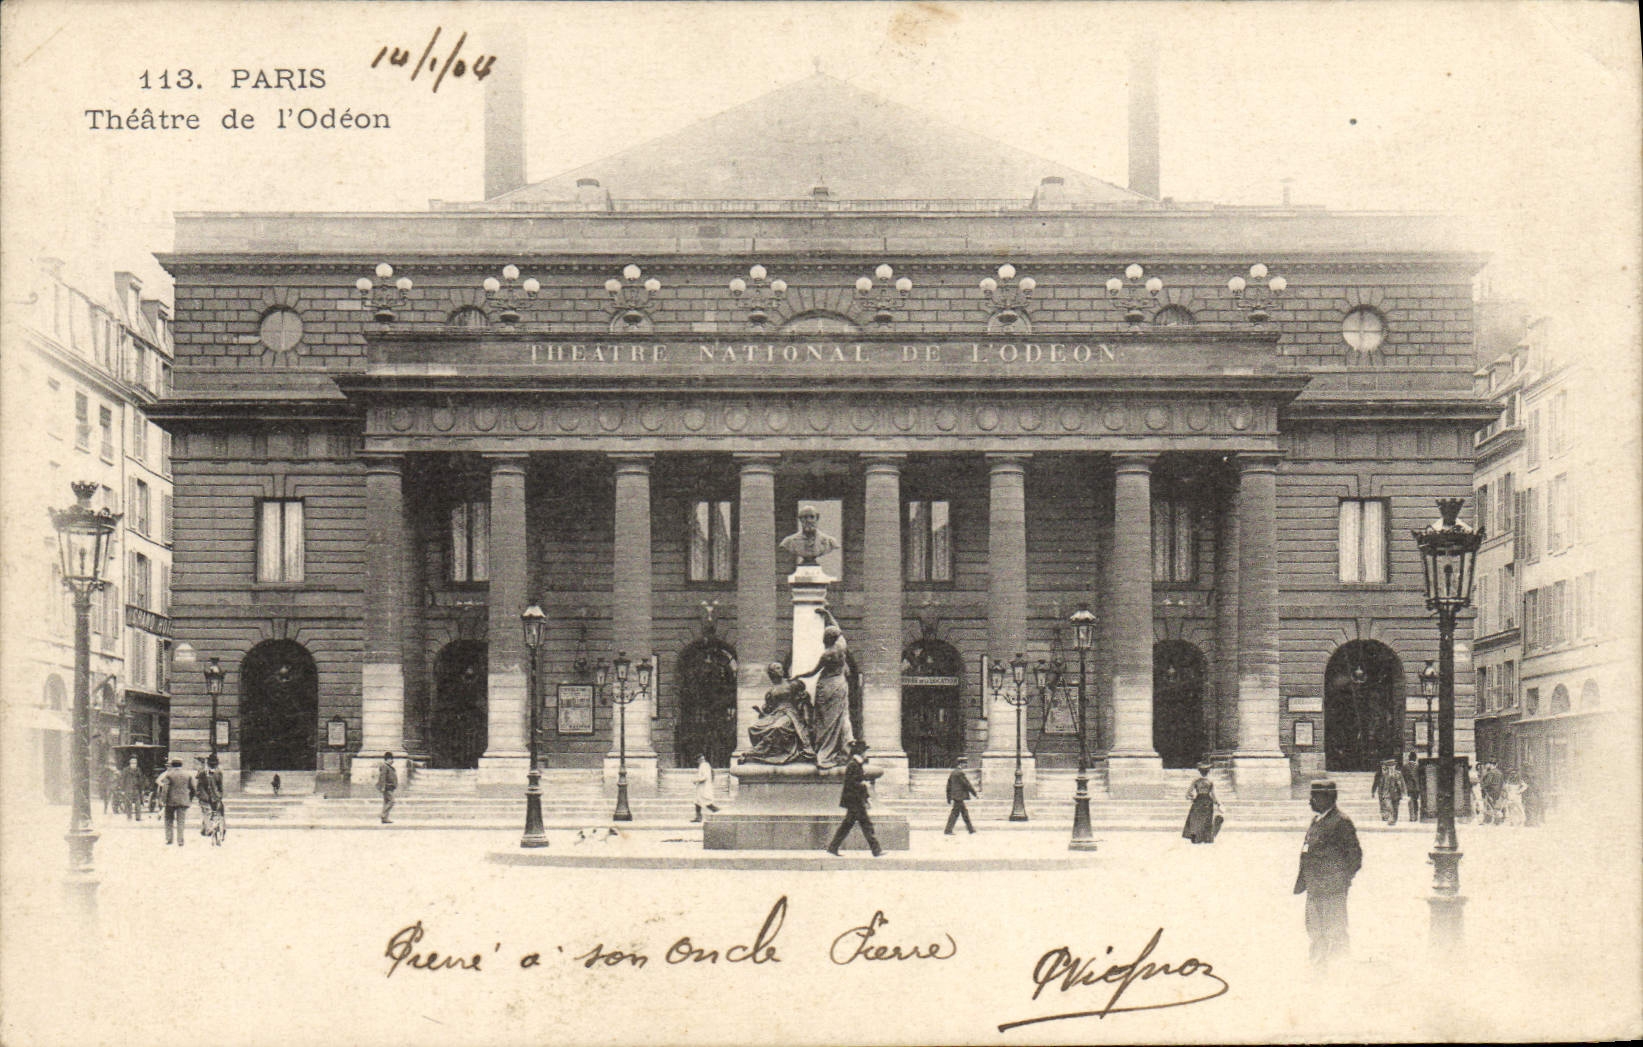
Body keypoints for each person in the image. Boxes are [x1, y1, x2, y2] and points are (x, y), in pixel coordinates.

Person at [1294, 779, 1362, 969]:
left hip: (1332, 888)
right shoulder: (1317, 820)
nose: (1310, 801)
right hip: (1314, 887)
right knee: (1315, 930)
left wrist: (1341, 880)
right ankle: (1318, 967)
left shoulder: (1341, 822)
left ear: (1327, 798)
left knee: (1335, 930)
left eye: (1314, 797)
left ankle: (1340, 969)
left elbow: (1355, 857)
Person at [791, 607, 854, 769]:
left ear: (826, 638)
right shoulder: (841, 647)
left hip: (827, 687)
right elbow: (837, 629)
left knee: (826, 720)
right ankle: (847, 744)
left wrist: (798, 676)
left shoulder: (827, 654)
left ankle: (824, 751)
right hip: (841, 684)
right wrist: (827, 614)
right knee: (841, 716)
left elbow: (813, 672)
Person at [742, 664, 814, 765]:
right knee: (753, 728)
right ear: (772, 672)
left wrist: (806, 715)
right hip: (775, 714)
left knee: (778, 727)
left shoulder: (792, 684)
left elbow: (804, 700)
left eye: (780, 667)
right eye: (777, 668)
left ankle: (774, 752)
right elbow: (768, 708)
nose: (781, 670)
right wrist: (761, 711)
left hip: (790, 714)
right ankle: (764, 752)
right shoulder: (771, 691)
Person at [826, 741, 882, 857]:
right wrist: (864, 785)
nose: (866, 754)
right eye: (865, 751)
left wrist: (866, 797)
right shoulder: (853, 765)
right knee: (866, 825)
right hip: (854, 801)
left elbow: (857, 782)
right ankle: (876, 850)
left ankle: (833, 847)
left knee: (848, 825)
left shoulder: (856, 764)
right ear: (861, 752)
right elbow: (852, 783)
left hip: (855, 801)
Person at [157, 758, 195, 847]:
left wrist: (163, 801)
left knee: (168, 820)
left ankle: (169, 839)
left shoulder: (169, 775)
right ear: (181, 765)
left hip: (171, 801)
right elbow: (193, 788)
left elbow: (165, 789)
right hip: (183, 801)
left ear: (173, 765)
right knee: (181, 821)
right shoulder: (188, 775)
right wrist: (190, 799)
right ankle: (180, 840)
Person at [1182, 761, 1222, 843]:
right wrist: (1219, 803)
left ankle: (1197, 838)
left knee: (1197, 819)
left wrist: (1192, 798)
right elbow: (1214, 794)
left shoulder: (1196, 781)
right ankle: (1206, 838)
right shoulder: (1210, 781)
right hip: (1208, 801)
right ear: (1208, 771)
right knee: (1207, 820)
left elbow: (1187, 794)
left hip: (1198, 800)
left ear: (1199, 771)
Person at [944, 757, 978, 836]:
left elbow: (948, 786)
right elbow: (967, 784)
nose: (966, 765)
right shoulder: (960, 773)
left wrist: (948, 797)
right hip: (959, 796)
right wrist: (974, 793)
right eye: (965, 763)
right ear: (961, 764)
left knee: (964, 813)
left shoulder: (953, 773)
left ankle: (970, 829)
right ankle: (948, 830)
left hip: (956, 796)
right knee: (956, 813)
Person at [196, 754, 226, 844]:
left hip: (205, 796)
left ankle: (209, 829)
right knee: (218, 814)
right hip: (215, 797)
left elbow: (198, 782)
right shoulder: (219, 772)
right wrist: (220, 795)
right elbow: (220, 786)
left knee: (207, 813)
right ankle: (218, 830)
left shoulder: (202, 771)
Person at [1371, 758, 1405, 825]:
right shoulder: (1384, 774)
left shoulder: (1398, 774)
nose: (1391, 768)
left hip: (1396, 794)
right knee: (1389, 807)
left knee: (1396, 808)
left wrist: (1403, 792)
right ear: (1388, 767)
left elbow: (1403, 784)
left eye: (1393, 766)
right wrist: (1379, 792)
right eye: (1390, 766)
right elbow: (1381, 784)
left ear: (1395, 766)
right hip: (1387, 794)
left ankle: (1394, 819)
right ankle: (1391, 819)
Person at [691, 754, 720, 823]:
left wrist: (696, 780)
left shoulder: (703, 766)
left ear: (699, 760)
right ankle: (698, 818)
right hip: (703, 787)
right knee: (698, 802)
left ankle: (719, 813)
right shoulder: (706, 765)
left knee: (707, 803)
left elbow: (704, 777)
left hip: (704, 788)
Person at [120, 757, 145, 821]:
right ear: (130, 764)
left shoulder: (138, 770)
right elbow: (122, 780)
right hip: (128, 789)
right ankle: (129, 817)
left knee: (138, 804)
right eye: (132, 763)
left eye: (135, 763)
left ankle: (138, 817)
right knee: (128, 804)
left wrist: (142, 789)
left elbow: (141, 780)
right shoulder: (125, 770)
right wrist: (122, 789)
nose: (134, 765)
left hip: (136, 789)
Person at [377, 751, 397, 824]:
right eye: (391, 759)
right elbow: (382, 777)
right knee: (392, 801)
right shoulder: (385, 766)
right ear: (387, 759)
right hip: (387, 787)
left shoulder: (388, 767)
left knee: (386, 802)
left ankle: (385, 818)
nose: (392, 761)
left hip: (390, 787)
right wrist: (383, 787)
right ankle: (383, 814)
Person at [1401, 752, 1423, 822]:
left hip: (1409, 787)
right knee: (1415, 801)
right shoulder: (1418, 766)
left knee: (1411, 801)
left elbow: (1403, 777)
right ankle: (1415, 815)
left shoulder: (1405, 766)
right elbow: (1420, 777)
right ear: (1415, 758)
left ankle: (1412, 816)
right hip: (1417, 787)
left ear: (1409, 758)